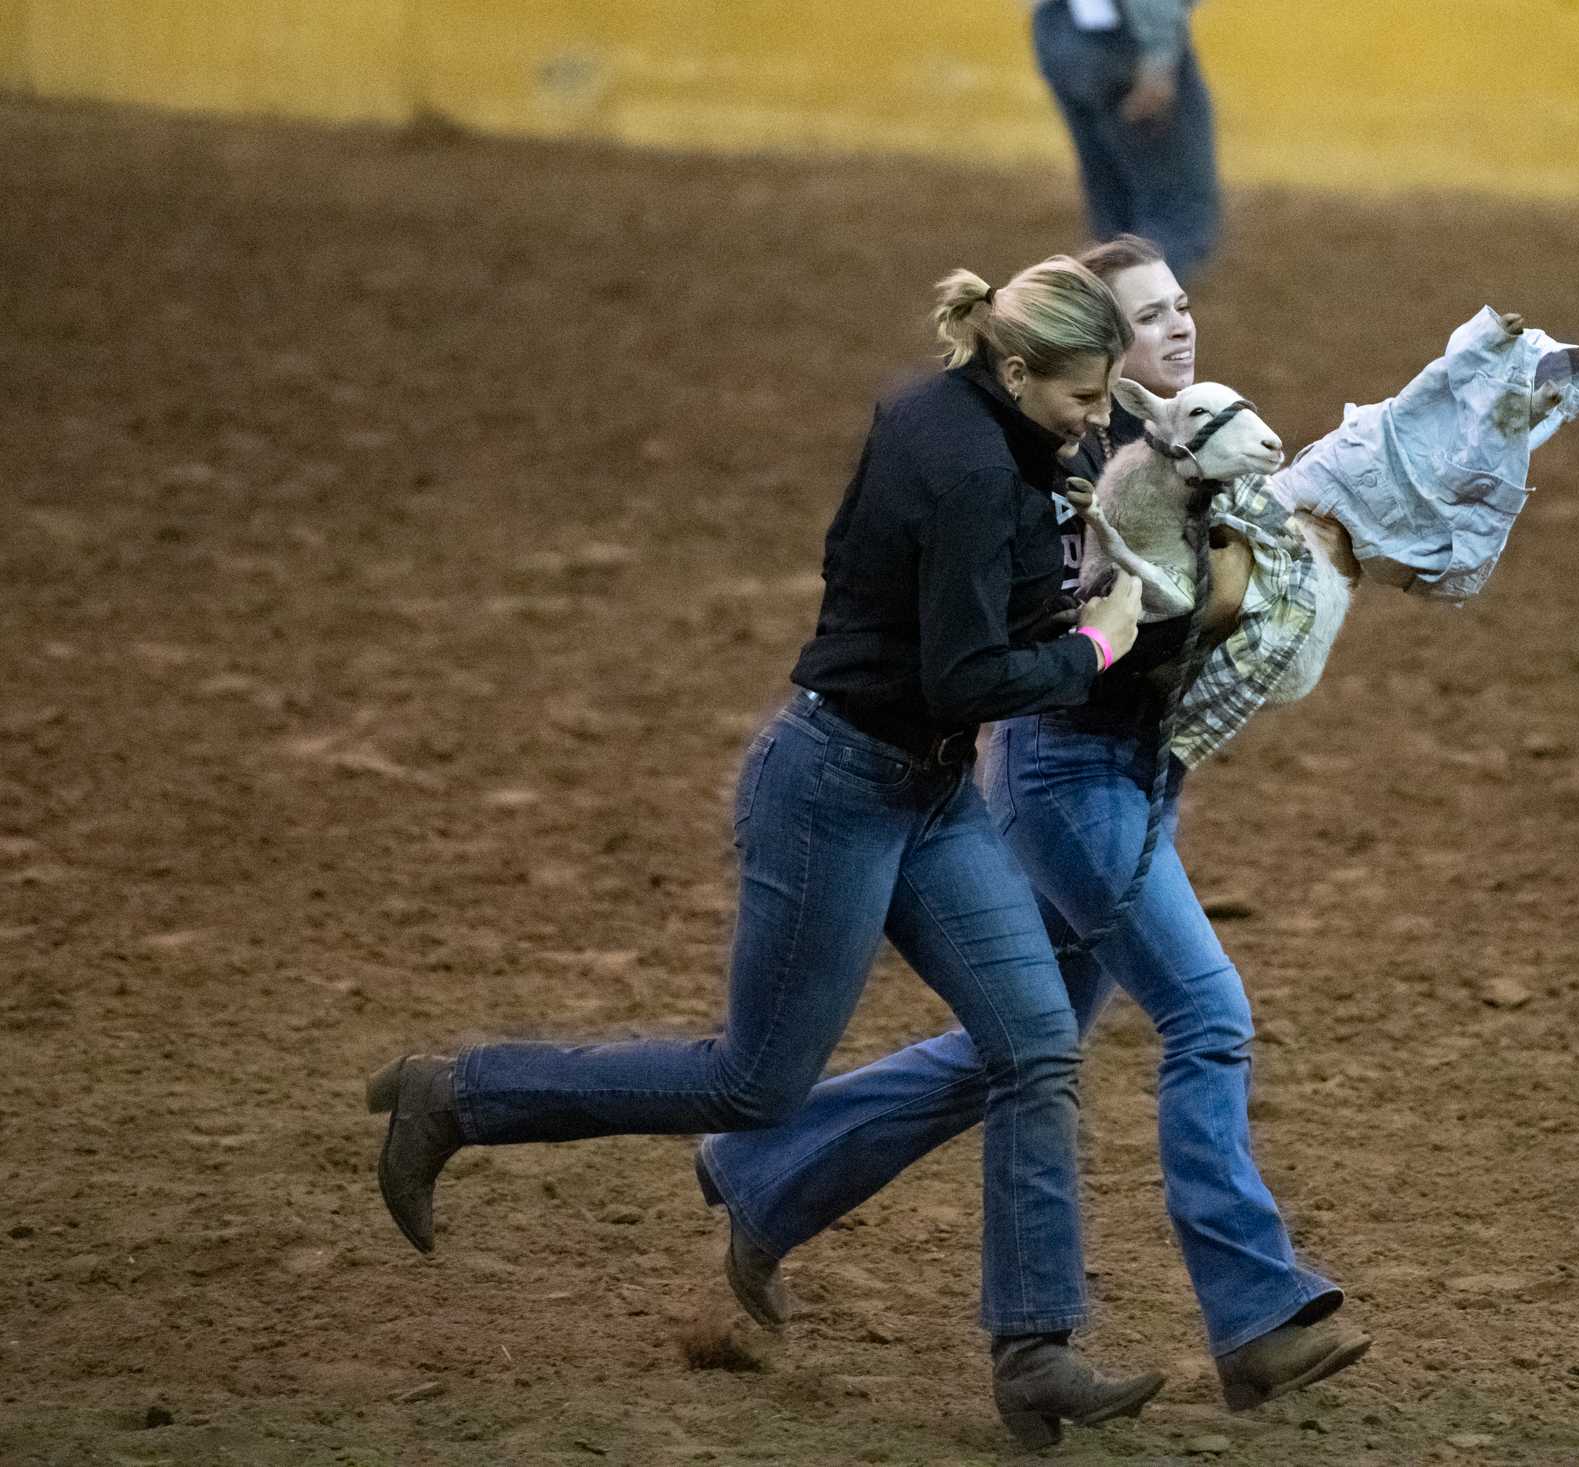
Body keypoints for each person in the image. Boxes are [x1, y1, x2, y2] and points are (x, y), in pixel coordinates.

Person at [365, 254, 1168, 1450]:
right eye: (1082, 398)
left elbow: (944, 585)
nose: (1097, 419)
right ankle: (458, 1096)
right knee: (755, 1082)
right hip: (836, 792)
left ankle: (1035, 1350)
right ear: (1014, 368)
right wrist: (1099, 643)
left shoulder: (959, 420)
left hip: (927, 790)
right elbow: (968, 676)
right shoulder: (960, 471)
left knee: (1037, 1045)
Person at [694, 235, 1394, 1415]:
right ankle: (1256, 1318)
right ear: (1089, 359)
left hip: (1121, 777)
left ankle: (769, 1176)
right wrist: (1274, 579)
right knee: (1208, 1018)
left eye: (1179, 308)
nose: (1171, 331)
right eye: (1139, 321)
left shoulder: (1187, 441)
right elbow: (1138, 639)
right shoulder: (1090, 469)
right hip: (1073, 779)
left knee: (1015, 1050)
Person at [1031, 1, 1221, 279]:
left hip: (1060, 27)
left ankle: (1101, 314)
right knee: (1177, 216)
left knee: (1114, 217)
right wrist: (1158, 53)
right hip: (1125, 35)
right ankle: (1131, 315)